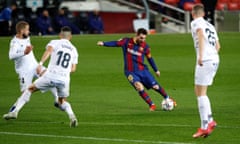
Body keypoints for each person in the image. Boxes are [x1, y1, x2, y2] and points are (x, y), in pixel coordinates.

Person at [3, 26, 79, 127]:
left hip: (51, 75)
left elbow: (48, 51)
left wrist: (40, 63)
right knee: (62, 101)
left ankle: (15, 112)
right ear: (70, 37)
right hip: (64, 79)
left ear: (60, 35)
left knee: (29, 89)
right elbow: (73, 69)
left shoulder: (55, 42)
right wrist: (63, 71)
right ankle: (72, 116)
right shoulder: (74, 50)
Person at [97, 28, 176, 111]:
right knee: (139, 87)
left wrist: (156, 70)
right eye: (141, 38)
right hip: (130, 71)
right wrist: (103, 43)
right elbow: (115, 43)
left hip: (143, 71)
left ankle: (168, 98)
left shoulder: (145, 47)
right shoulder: (126, 41)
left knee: (155, 87)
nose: (143, 40)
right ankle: (152, 105)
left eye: (144, 38)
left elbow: (150, 58)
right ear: (137, 35)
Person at [7, 21, 58, 113]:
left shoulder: (27, 38)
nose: (29, 32)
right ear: (22, 31)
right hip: (24, 71)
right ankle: (14, 109)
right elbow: (11, 56)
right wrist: (24, 52)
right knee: (25, 95)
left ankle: (57, 100)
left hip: (35, 66)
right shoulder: (14, 42)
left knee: (51, 77)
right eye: (27, 30)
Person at [190, 4, 220, 138]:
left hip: (206, 60)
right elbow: (218, 46)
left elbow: (200, 34)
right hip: (214, 59)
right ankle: (210, 119)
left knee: (201, 93)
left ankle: (204, 126)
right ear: (203, 13)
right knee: (199, 90)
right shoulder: (211, 25)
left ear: (193, 13)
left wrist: (201, 56)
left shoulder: (196, 22)